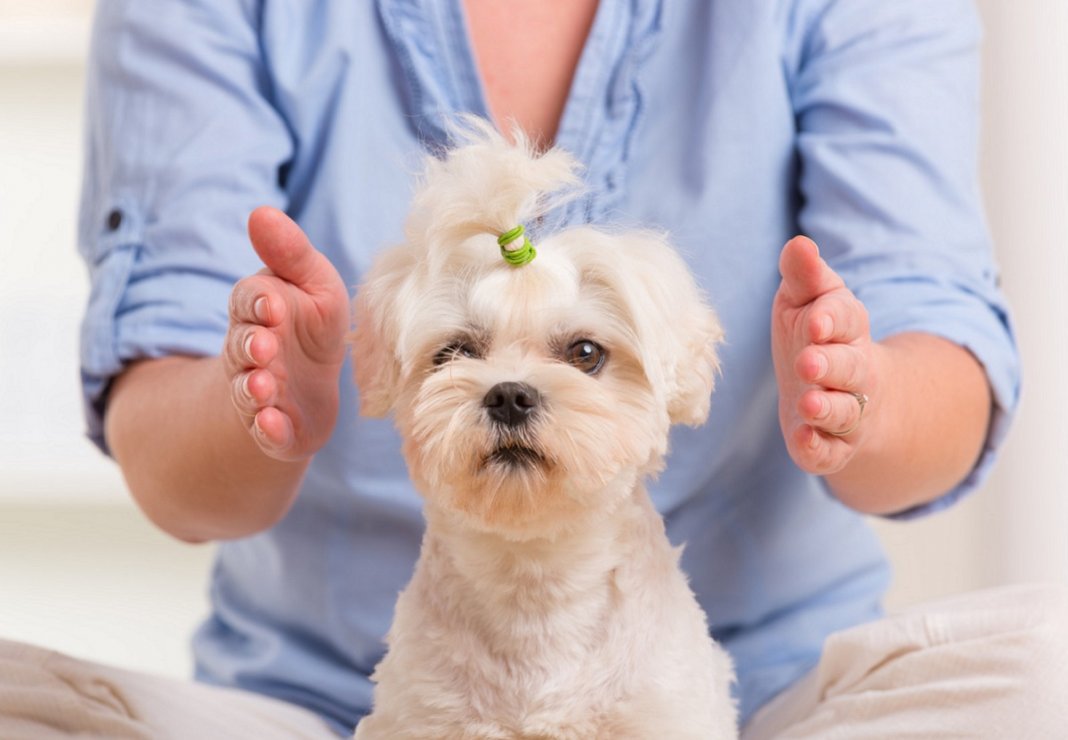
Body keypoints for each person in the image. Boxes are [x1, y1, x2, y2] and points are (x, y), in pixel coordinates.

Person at [2, 0, 1065, 737]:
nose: (509, 385)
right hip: (316, 696)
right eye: (461, 351)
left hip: (773, 693)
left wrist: (860, 398)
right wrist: (269, 401)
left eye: (583, 354)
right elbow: (169, 459)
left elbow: (940, 344)